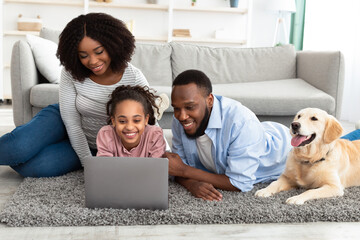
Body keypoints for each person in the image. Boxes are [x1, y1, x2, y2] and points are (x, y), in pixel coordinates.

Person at [164, 69, 360, 201]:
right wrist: (191, 183)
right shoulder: (181, 121)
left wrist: (185, 172)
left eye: (190, 107)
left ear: (209, 100)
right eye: (176, 109)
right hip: (259, 134)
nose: (181, 116)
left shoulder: (240, 121)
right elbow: (177, 168)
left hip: (283, 145)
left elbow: (239, 183)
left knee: (340, 145)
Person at [0, 13, 155, 177]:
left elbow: (151, 125)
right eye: (84, 55)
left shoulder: (135, 77)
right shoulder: (71, 71)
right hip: (62, 121)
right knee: (17, 148)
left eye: (99, 51)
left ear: (113, 45)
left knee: (32, 167)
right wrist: (89, 165)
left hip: (97, 146)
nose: (93, 61)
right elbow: (72, 123)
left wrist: (164, 156)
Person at [96, 85, 166, 158]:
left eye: (136, 120)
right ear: (113, 121)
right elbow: (105, 167)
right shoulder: (106, 134)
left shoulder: (154, 135)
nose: (129, 127)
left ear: (146, 120)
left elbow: (156, 167)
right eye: (122, 121)